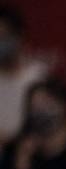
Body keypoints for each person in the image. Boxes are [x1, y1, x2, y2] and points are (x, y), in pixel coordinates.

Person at [0, 5, 46, 147]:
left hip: (28, 149)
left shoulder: (38, 75)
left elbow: (44, 121)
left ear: (19, 36)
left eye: (4, 37)